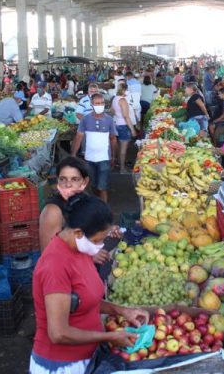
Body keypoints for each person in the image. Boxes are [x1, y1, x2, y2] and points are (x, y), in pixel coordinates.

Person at [31, 193, 148, 374]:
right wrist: (109, 337)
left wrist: (123, 311)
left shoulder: (80, 251)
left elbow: (85, 299)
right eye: (97, 240)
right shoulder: (55, 265)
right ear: (78, 233)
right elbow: (58, 333)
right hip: (62, 365)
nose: (101, 245)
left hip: (88, 357)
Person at [39, 157, 103, 262]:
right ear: (57, 180)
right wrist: (90, 255)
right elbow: (49, 258)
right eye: (63, 179)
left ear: (85, 181)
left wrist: (108, 230)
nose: (68, 184)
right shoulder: (52, 212)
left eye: (75, 179)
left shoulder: (83, 199)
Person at [70, 94, 117, 202]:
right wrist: (73, 154)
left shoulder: (109, 120)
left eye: (102, 103)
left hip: (104, 158)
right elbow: (79, 137)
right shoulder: (85, 120)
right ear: (92, 104)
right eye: (97, 103)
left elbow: (113, 139)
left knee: (102, 187)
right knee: (93, 185)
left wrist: (113, 157)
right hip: (89, 159)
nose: (100, 105)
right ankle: (96, 204)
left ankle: (103, 208)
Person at [111, 83, 137, 174]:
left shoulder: (115, 98)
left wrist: (118, 116)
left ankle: (119, 163)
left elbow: (112, 111)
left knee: (119, 146)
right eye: (127, 90)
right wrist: (132, 129)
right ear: (124, 90)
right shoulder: (123, 100)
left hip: (116, 124)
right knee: (123, 149)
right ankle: (122, 169)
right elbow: (126, 116)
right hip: (123, 126)